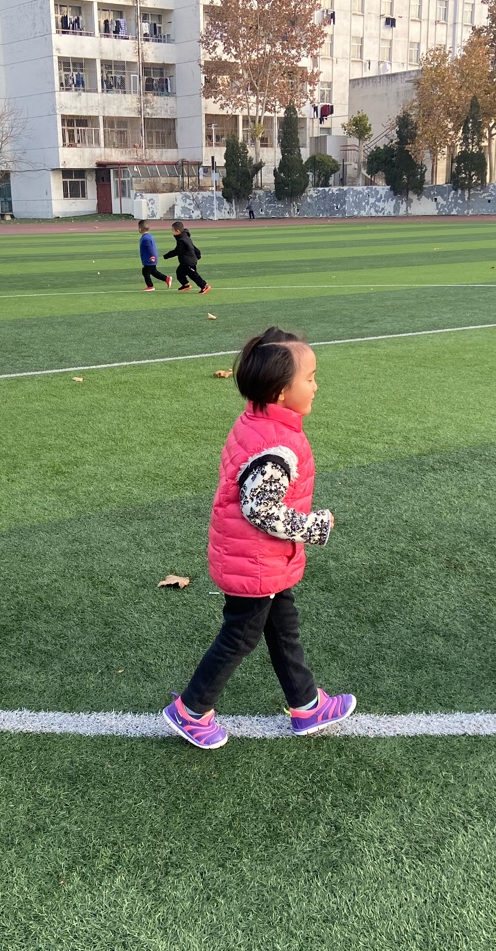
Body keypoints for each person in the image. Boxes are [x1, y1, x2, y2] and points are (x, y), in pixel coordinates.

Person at [162, 327, 355, 749]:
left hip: (260, 560)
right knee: (241, 635)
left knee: (283, 628)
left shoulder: (258, 421)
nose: (316, 386)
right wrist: (315, 526)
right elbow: (261, 509)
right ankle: (191, 710)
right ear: (280, 392)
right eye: (310, 378)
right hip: (255, 562)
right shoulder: (276, 448)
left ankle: (306, 704)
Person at [165, 220, 210, 294]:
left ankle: (204, 286)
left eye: (173, 230)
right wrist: (197, 253)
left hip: (189, 261)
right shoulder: (184, 236)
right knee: (179, 273)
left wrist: (166, 256)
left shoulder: (181, 240)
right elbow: (192, 246)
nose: (172, 232)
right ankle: (186, 285)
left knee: (193, 275)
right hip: (185, 261)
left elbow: (177, 251)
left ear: (177, 231)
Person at [137, 220, 172, 292]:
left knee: (145, 272)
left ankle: (150, 286)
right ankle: (166, 279)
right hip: (150, 258)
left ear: (140, 229)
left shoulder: (145, 238)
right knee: (153, 272)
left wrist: (152, 256)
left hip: (149, 259)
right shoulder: (148, 236)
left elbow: (149, 248)